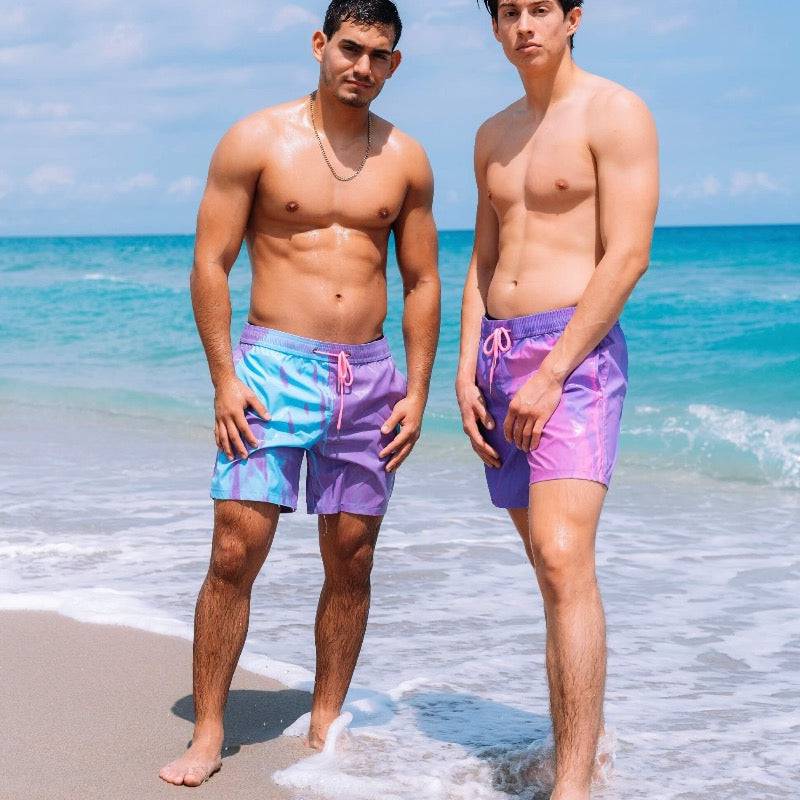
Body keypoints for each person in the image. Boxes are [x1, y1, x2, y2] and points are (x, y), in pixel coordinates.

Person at [160, 0, 440, 786]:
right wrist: (224, 378)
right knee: (233, 550)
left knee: (351, 558)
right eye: (351, 48)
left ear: (395, 64)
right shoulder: (256, 140)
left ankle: (326, 719)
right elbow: (210, 263)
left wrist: (416, 391)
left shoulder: (407, 160)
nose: (363, 66)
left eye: (380, 55)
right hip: (272, 369)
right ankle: (209, 730)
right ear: (321, 45)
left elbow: (421, 281)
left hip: (371, 381)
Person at [456, 2, 658, 798]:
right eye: (509, 12)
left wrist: (552, 373)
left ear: (573, 17)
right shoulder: (491, 134)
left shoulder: (615, 112)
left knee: (566, 557)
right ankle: (586, 743)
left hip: (570, 360)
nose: (524, 25)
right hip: (499, 359)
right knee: (548, 566)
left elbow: (628, 254)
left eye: (540, 9)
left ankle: (571, 786)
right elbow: (481, 260)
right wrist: (468, 370)